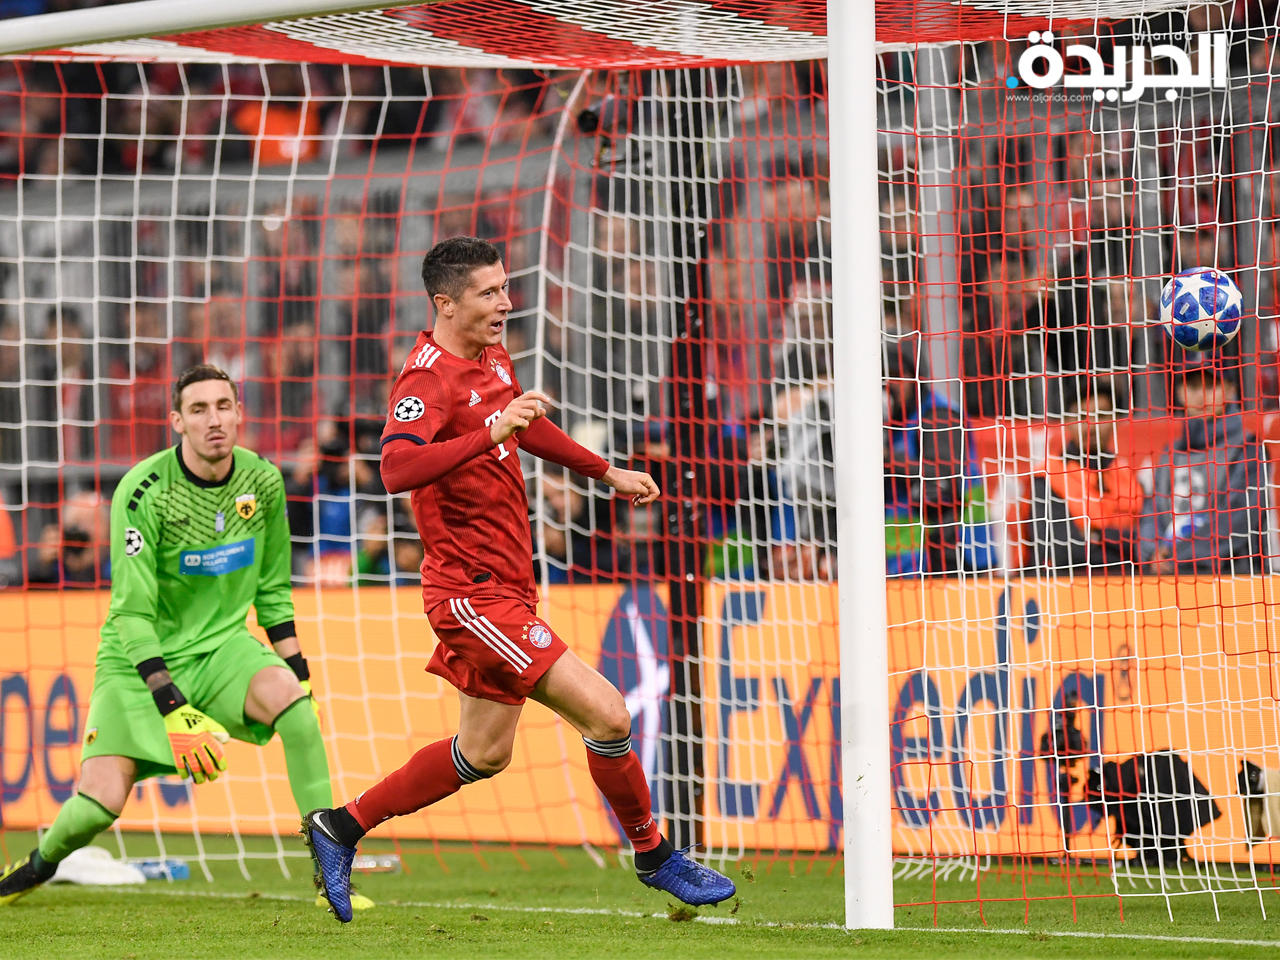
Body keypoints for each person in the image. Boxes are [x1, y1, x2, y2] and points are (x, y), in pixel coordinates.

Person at [302, 237, 735, 923]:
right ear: (445, 303)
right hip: (470, 596)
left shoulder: (492, 355)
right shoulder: (426, 380)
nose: (506, 302)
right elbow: (395, 468)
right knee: (609, 713)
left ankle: (341, 826)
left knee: (483, 752)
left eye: (505, 287)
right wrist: (492, 430)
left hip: (508, 585)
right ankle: (655, 856)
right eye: (489, 292)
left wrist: (605, 472)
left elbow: (525, 429)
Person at [0, 364, 371, 913]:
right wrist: (172, 707)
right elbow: (131, 614)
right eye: (198, 409)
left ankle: (330, 874)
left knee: (298, 712)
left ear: (240, 413)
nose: (213, 420)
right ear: (176, 421)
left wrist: (301, 675)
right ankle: (39, 864)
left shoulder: (263, 481)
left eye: (222, 406)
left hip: (222, 650)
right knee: (98, 806)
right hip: (138, 662)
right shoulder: (143, 491)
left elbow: (273, 592)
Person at [1138, 365, 1266, 574]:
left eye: (1210, 386)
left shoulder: (1247, 447)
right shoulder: (1170, 452)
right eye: (1193, 386)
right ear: (1180, 392)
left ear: (1230, 389)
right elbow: (1152, 511)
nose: (1201, 396)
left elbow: (1238, 519)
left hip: (1231, 574)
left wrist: (1179, 555)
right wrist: (1153, 552)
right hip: (1166, 572)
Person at [1029, 384, 1143, 573]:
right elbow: (1061, 551)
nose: (1091, 426)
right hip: (1070, 582)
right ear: (1067, 421)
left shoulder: (1128, 474)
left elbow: (1144, 544)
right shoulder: (1049, 475)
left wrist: (1097, 536)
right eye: (1081, 417)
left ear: (1115, 420)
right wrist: (1120, 547)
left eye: (1101, 416)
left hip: (1131, 582)